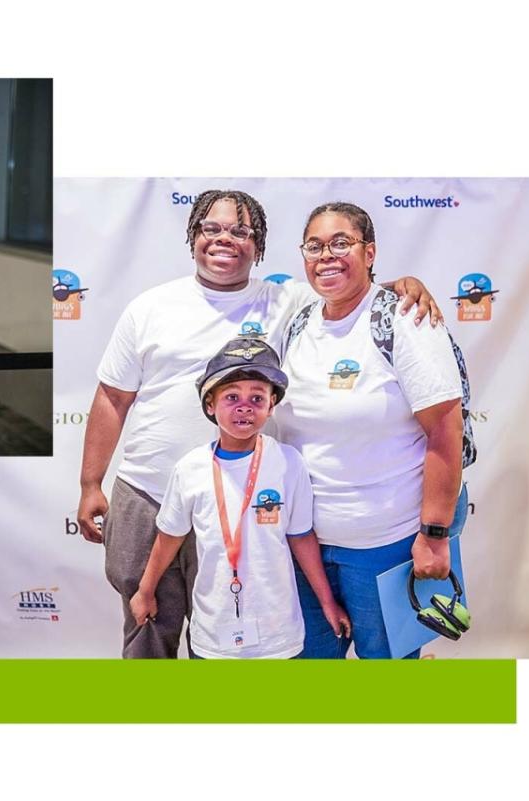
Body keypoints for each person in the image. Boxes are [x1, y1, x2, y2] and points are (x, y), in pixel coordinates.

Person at [76, 189, 443, 659]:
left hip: (243, 501)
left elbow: (348, 285)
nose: (224, 239)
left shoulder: (287, 301)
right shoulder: (148, 308)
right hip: (147, 494)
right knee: (147, 628)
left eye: (240, 230)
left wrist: (401, 284)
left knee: (229, 632)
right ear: (193, 237)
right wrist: (90, 482)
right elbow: (112, 398)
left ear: (259, 245)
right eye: (212, 228)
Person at [276, 201, 471, 659]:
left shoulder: (404, 319)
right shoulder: (300, 322)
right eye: (315, 246)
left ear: (370, 252)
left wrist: (435, 536)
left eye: (341, 243)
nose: (327, 256)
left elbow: (445, 431)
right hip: (306, 546)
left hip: (386, 545)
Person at [129, 338, 350, 659]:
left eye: (257, 398)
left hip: (278, 632)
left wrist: (327, 602)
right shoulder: (190, 468)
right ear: (210, 405)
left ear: (271, 406)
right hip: (213, 630)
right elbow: (169, 537)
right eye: (231, 397)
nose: (244, 406)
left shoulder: (288, 462)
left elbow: (301, 537)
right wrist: (146, 590)